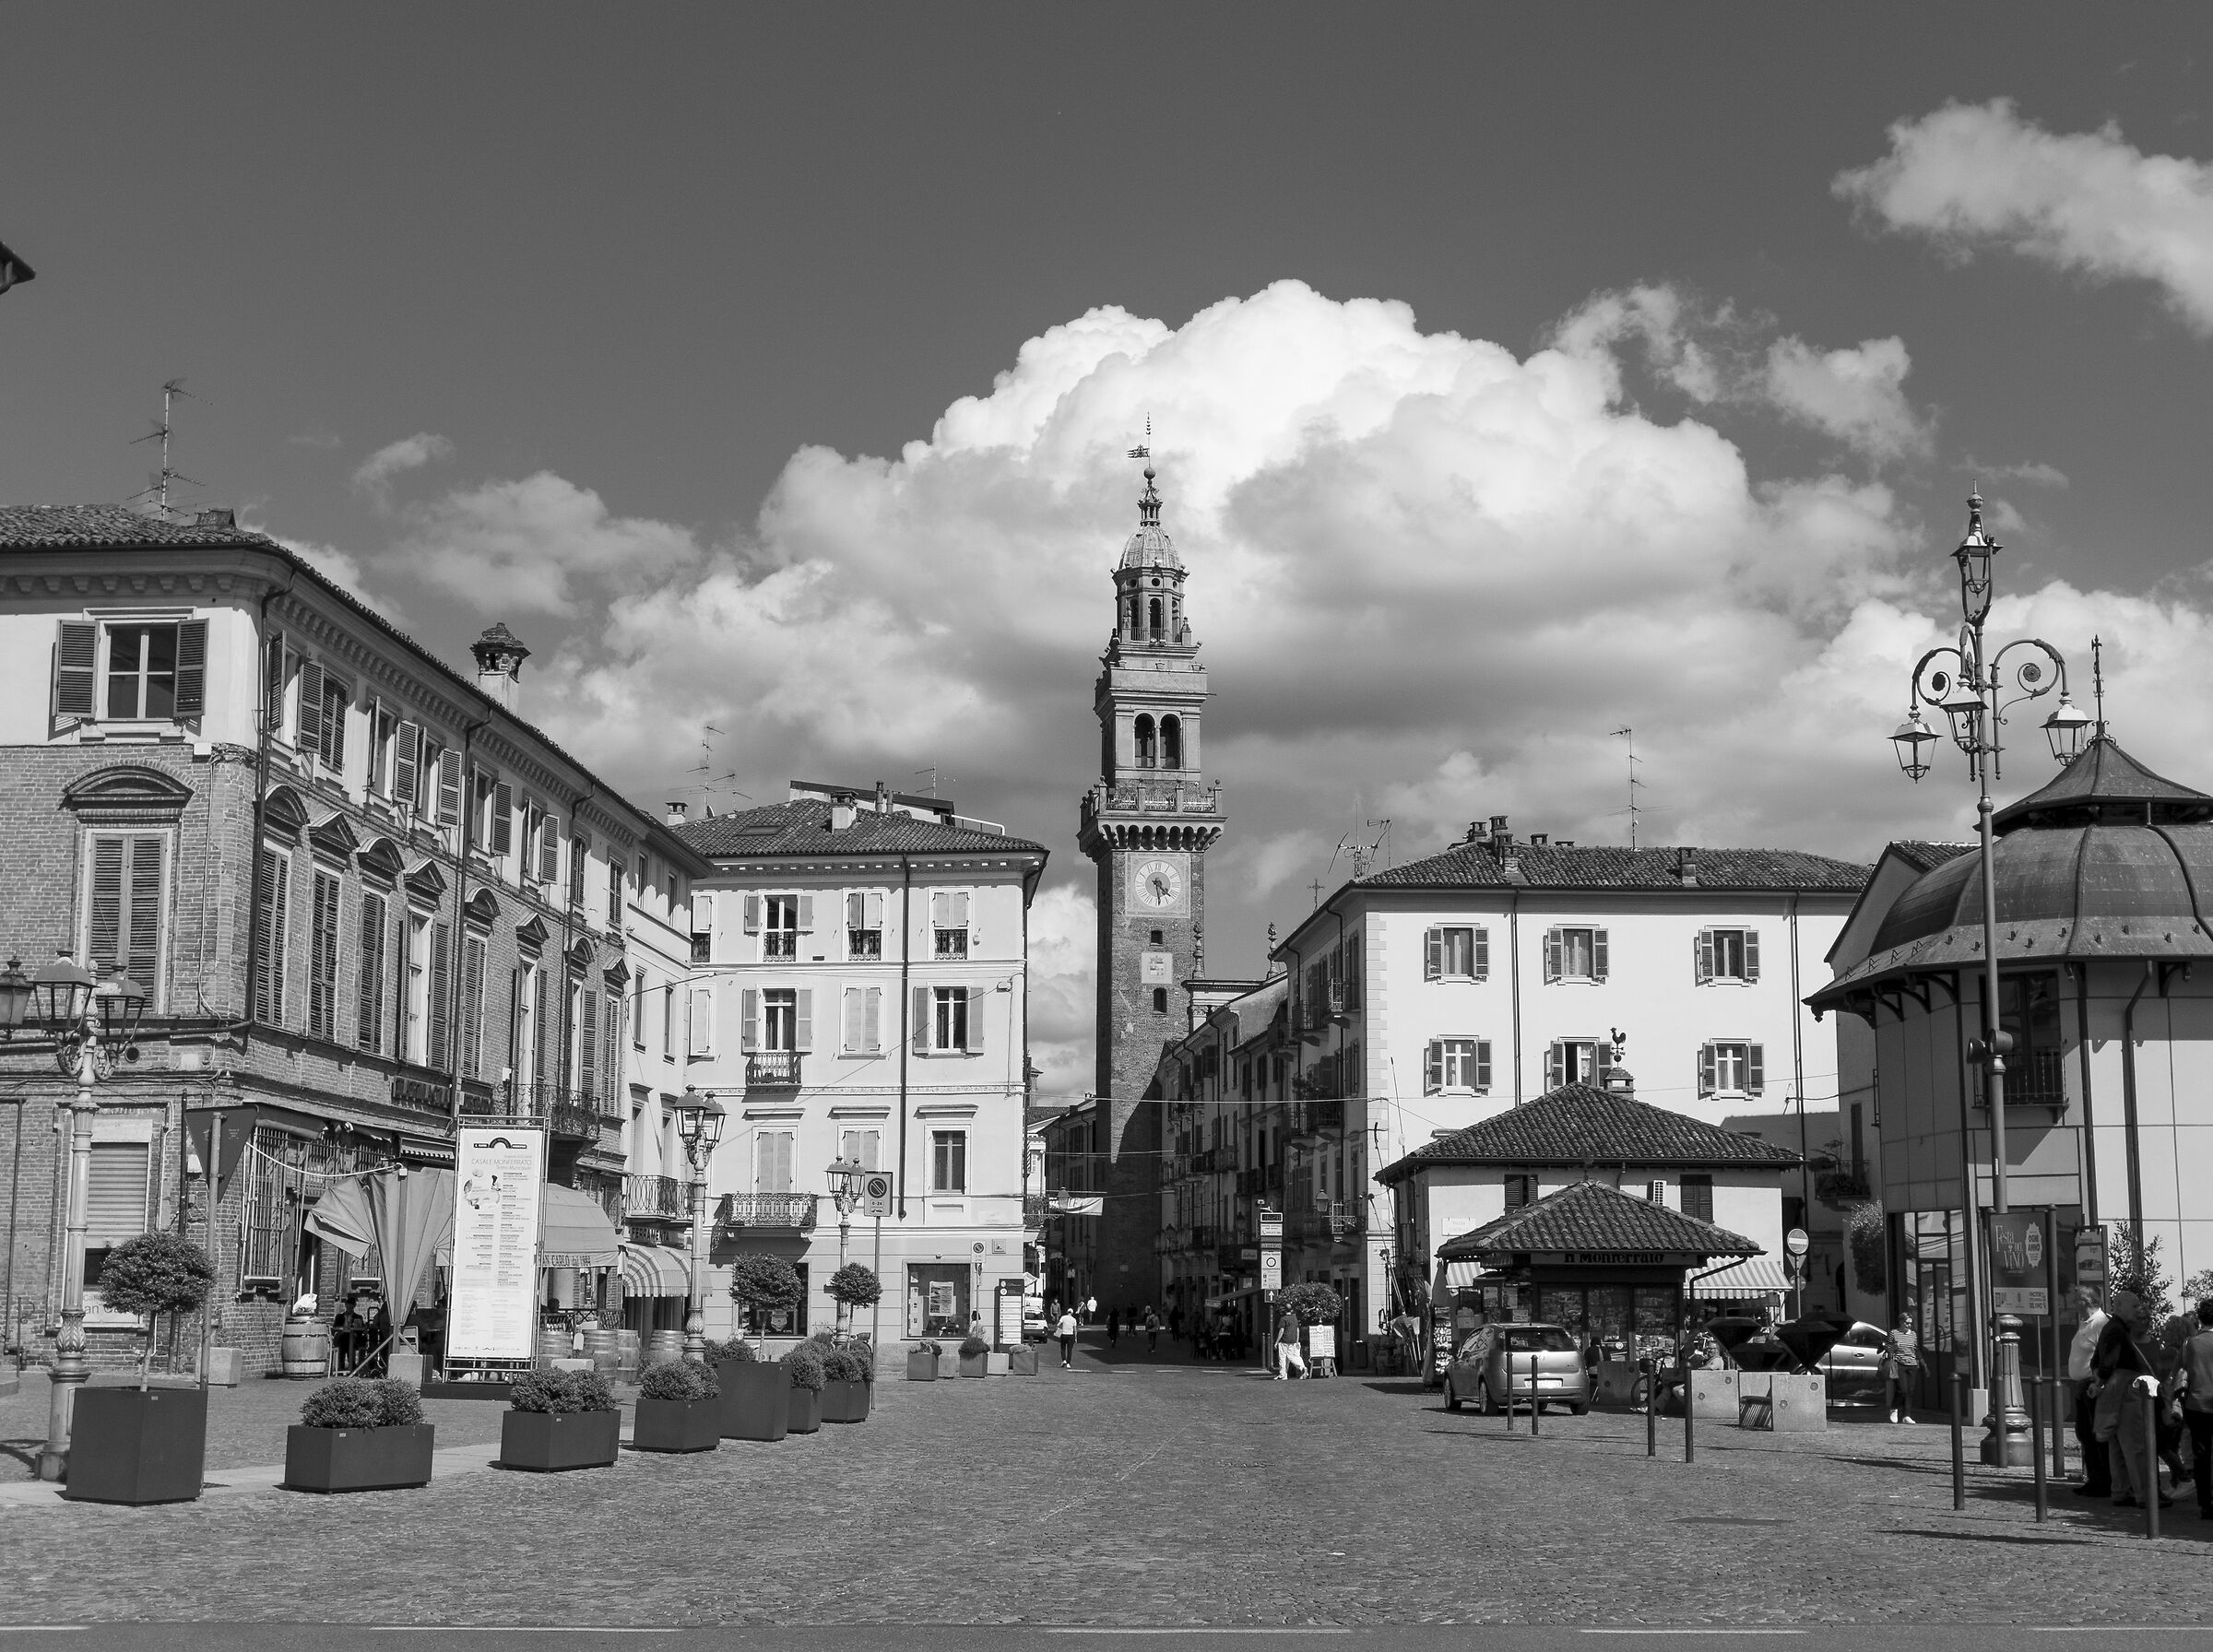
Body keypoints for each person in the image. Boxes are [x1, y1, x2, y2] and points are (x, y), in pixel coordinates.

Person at [2094, 1295, 2172, 1511]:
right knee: (2134, 1445)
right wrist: (2101, 1379)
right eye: (2134, 1306)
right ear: (2120, 1307)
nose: (2139, 1310)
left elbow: (2098, 1361)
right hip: (2128, 1388)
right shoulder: (2117, 1330)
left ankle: (2121, 1490)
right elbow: (2106, 1361)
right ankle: (2144, 1495)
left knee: (2118, 1445)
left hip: (2117, 1387)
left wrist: (2100, 1380)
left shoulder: (2112, 1328)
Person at [2068, 1294, 2112, 1497]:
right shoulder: (2084, 1324)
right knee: (2085, 1433)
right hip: (2081, 1385)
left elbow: (2104, 1355)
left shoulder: (2101, 1323)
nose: (2071, 1299)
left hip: (2092, 1385)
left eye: (2075, 1296)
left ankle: (2104, 1480)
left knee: (2096, 1434)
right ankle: (2094, 1478)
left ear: (2085, 1301)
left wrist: (2098, 1382)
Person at [2178, 1298, 2213, 1520]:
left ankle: (2206, 1503)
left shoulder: (2190, 1343)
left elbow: (2184, 1370)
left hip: (2197, 1404)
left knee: (2201, 1454)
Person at [1886, 1312, 1923, 1424]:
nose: (1909, 1325)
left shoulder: (1913, 1335)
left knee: (1910, 1391)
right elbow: (1888, 1349)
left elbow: (1915, 1349)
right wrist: (1893, 1347)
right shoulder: (1894, 1333)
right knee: (1902, 1389)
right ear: (1901, 1322)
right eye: (1906, 1323)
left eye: (1910, 1323)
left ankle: (1907, 1415)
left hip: (1912, 1364)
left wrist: (1920, 1362)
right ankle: (1894, 1408)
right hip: (1899, 1364)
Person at [1275, 1310, 1306, 1380]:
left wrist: (1277, 1342)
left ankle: (1283, 1374)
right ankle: (1302, 1367)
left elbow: (1282, 1331)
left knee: (1282, 1358)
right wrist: (1297, 1341)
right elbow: (1297, 1330)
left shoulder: (1283, 1319)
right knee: (1290, 1357)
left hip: (1284, 1341)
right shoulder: (1295, 1318)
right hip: (1293, 1341)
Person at [1055, 1305, 1079, 1369]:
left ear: (1067, 1312)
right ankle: (1068, 1363)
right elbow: (1075, 1330)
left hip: (1063, 1334)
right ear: (1072, 1313)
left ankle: (1064, 1360)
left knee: (1063, 1348)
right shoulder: (1074, 1319)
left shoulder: (1063, 1317)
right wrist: (1076, 1338)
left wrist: (1057, 1332)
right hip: (1070, 1335)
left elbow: (1058, 1325)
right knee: (1069, 1349)